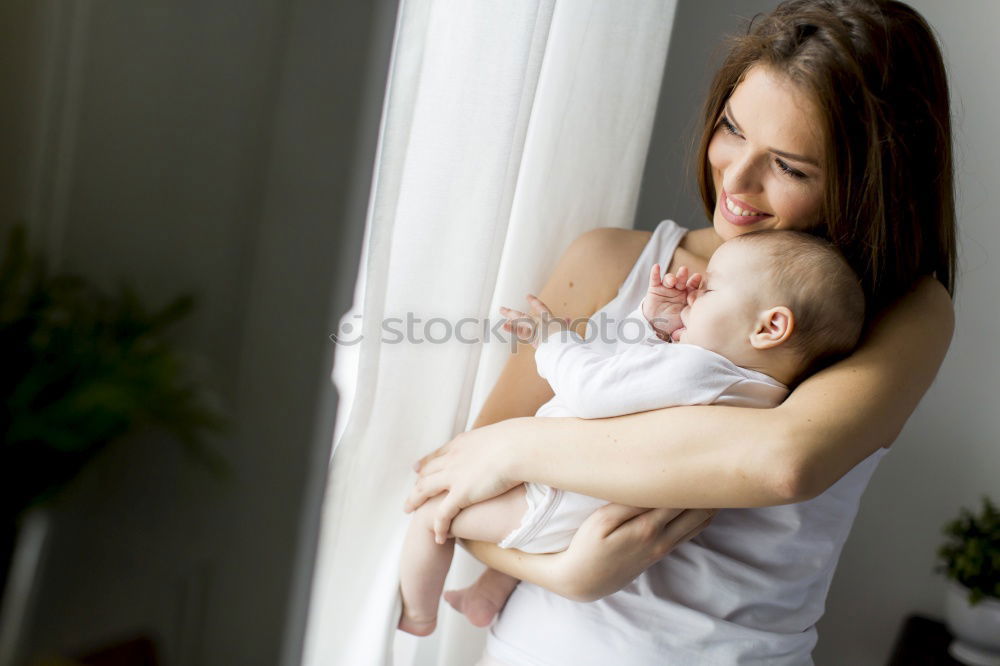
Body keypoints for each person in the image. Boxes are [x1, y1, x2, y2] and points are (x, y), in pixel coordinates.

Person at [404, 0, 957, 663]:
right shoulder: (610, 261)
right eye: (732, 128)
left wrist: (521, 445)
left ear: (868, 178)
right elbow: (465, 478)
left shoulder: (898, 311)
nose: (738, 178)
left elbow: (783, 463)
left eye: (790, 166)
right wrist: (566, 574)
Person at [397, 230, 865, 637]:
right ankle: (487, 594)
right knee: (498, 532)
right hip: (597, 517)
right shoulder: (765, 396)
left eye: (708, 291)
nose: (692, 294)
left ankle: (418, 615)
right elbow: (641, 383)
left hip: (552, 499)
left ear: (770, 326)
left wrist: (553, 340)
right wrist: (658, 326)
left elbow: (594, 390)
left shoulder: (699, 368)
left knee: (432, 509)